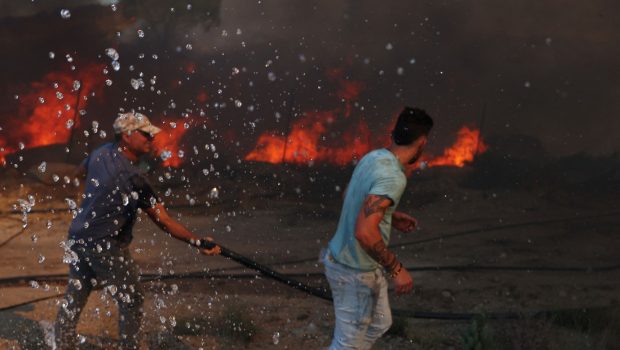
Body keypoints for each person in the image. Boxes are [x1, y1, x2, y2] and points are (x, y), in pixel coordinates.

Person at [54, 111, 221, 349]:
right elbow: (163, 221)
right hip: (105, 244)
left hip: (78, 235)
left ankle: (62, 343)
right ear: (127, 135)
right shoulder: (133, 178)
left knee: (77, 291)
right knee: (132, 299)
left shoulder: (100, 153)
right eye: (146, 134)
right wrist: (197, 241)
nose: (150, 139)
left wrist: (89, 202)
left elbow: (78, 173)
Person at [322, 106, 433, 349]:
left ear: (394, 133)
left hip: (354, 264)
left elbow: (347, 196)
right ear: (422, 142)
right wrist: (396, 269)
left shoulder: (373, 157)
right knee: (347, 344)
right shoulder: (394, 177)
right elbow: (364, 232)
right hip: (353, 272)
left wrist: (388, 216)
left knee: (380, 323)